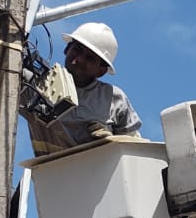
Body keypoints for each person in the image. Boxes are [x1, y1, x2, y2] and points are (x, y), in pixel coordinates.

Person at [26, 21, 142, 152]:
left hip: (99, 171)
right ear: (66, 49)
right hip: (52, 170)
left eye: (90, 58)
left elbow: (136, 149)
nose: (79, 59)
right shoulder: (35, 86)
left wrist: (114, 144)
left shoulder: (113, 99)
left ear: (101, 71)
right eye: (77, 50)